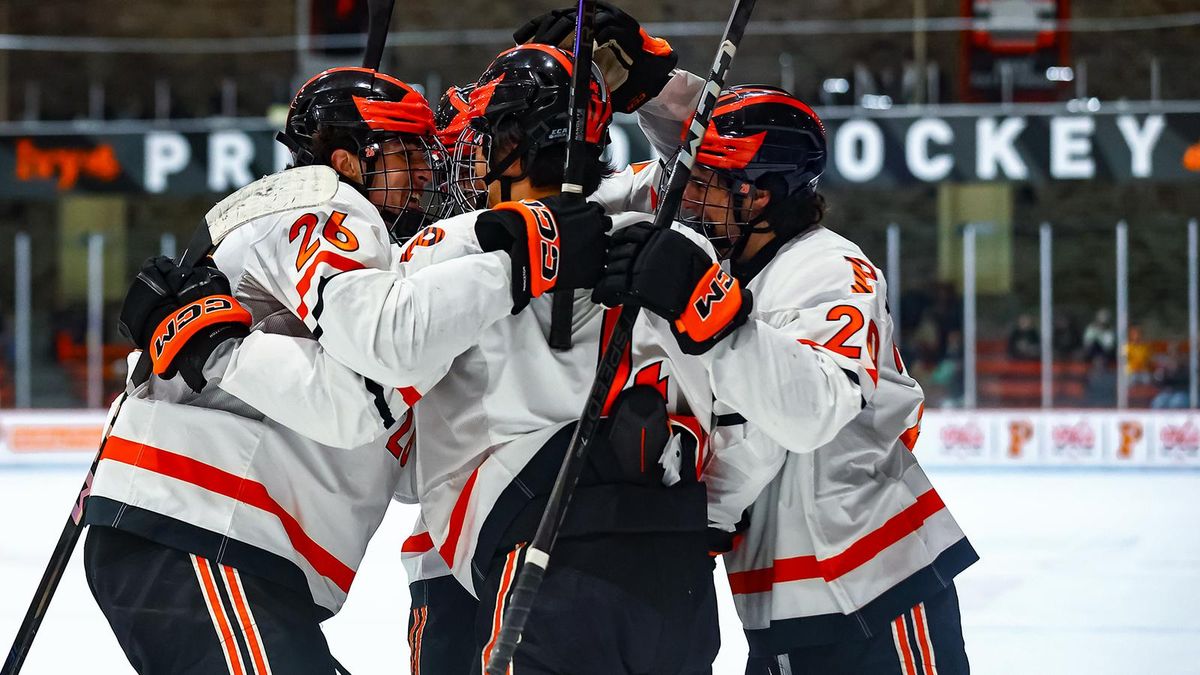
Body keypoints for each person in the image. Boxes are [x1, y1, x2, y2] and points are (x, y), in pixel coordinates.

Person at [85, 66, 607, 674]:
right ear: (349, 159)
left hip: (237, 546)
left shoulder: (370, 253)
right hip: (203, 522)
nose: (426, 169)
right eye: (406, 151)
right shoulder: (327, 201)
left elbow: (396, 456)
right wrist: (516, 263)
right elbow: (363, 388)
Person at [596, 83, 976, 674]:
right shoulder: (728, 264)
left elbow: (811, 409)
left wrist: (710, 313)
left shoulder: (831, 269)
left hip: (875, 590)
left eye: (705, 182)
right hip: (779, 606)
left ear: (760, 194)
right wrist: (655, 78)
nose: (685, 195)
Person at [405, 42, 724, 674]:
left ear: (512, 144)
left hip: (530, 549)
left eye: (484, 136)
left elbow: (376, 352)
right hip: (675, 557)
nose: (468, 155)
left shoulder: (454, 251)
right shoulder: (675, 242)